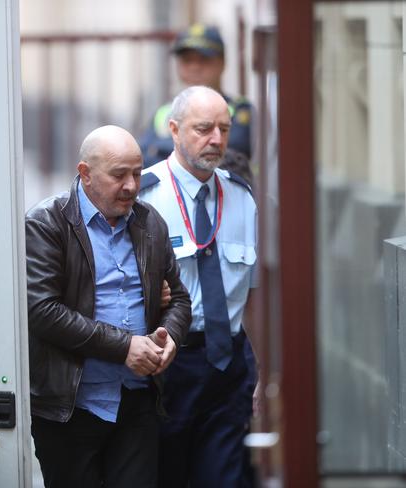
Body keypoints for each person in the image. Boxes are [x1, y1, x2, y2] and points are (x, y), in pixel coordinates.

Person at [25, 125, 192, 488]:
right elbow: (41, 310)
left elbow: (178, 297)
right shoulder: (47, 223)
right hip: (71, 406)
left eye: (136, 172)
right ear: (85, 174)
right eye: (119, 175)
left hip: (137, 402)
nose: (132, 185)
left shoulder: (150, 223)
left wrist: (171, 338)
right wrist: (124, 346)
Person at [138, 86, 259, 488]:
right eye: (203, 128)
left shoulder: (242, 199)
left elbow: (254, 294)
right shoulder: (144, 198)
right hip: (170, 366)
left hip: (228, 366)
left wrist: (261, 371)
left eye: (223, 129)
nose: (217, 140)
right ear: (174, 130)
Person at [139, 23, 253, 173]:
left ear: (222, 62)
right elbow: (143, 156)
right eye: (187, 60)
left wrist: (162, 149)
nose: (194, 67)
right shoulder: (164, 112)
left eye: (203, 60)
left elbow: (230, 152)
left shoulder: (239, 110)